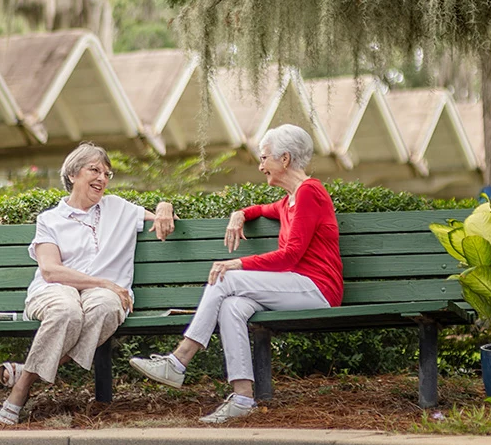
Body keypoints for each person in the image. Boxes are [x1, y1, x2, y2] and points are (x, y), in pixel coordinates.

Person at [129, 124, 343, 423]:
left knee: (225, 276)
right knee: (232, 307)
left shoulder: (310, 192)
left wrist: (237, 264)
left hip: (317, 289)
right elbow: (261, 209)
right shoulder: (289, 199)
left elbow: (290, 256)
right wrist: (239, 213)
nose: (260, 166)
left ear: (284, 159)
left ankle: (178, 361)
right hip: (294, 287)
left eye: (264, 158)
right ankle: (242, 397)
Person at [0, 142, 175, 425]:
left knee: (105, 308)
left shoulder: (118, 208)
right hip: (54, 290)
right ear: (73, 174)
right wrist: (104, 282)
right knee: (67, 310)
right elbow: (51, 271)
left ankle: (24, 378)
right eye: (95, 170)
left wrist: (164, 206)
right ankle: (21, 390)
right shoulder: (50, 220)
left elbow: (161, 218)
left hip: (103, 296)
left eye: (107, 173)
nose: (102, 178)